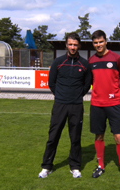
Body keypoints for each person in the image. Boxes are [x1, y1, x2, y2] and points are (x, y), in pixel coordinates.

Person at [38, 32, 92, 179]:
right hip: (60, 105)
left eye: (75, 44)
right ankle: (46, 166)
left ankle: (74, 166)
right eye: (70, 44)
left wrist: (76, 95)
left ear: (79, 45)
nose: (73, 47)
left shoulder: (84, 64)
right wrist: (61, 96)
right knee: (53, 136)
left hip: (76, 106)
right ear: (66, 45)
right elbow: (51, 82)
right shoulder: (58, 62)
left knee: (75, 138)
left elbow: (87, 85)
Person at [88, 30, 120, 185]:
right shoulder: (91, 60)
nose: (98, 45)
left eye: (100, 41)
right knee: (98, 136)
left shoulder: (116, 58)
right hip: (96, 104)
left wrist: (114, 92)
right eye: (95, 42)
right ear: (93, 44)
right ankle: (100, 166)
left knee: (118, 137)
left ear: (106, 41)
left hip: (115, 104)